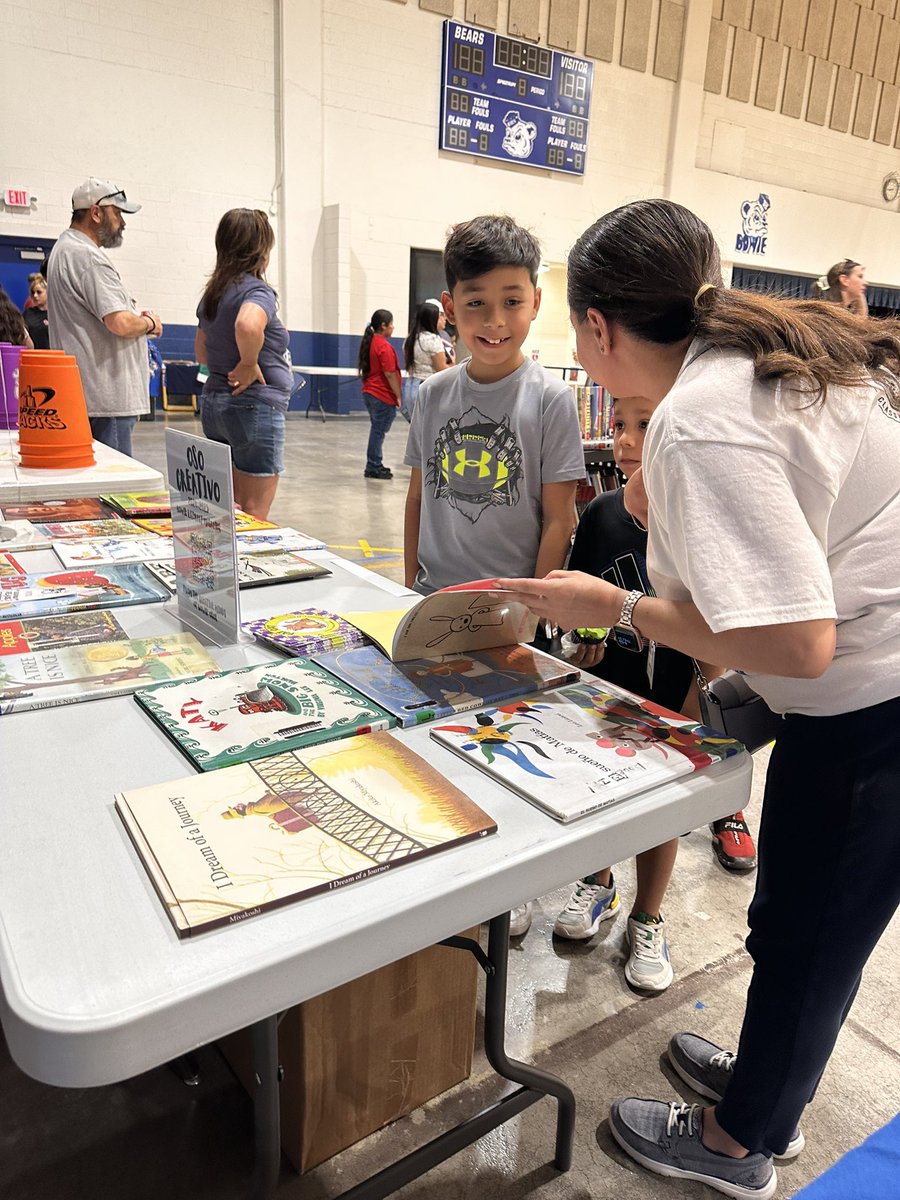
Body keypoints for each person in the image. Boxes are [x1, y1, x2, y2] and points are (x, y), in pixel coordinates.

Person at [497, 198, 900, 1199]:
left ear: (596, 328)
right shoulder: (750, 365)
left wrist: (619, 604)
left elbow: (795, 642)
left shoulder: (702, 417)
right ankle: (767, 1089)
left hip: (874, 706)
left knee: (811, 933)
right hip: (863, 688)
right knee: (794, 917)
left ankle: (740, 1144)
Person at [542, 393, 755, 995]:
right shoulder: (604, 514)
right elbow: (581, 600)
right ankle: (600, 882)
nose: (630, 439)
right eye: (620, 424)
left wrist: (698, 704)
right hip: (607, 693)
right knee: (597, 796)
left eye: (647, 426)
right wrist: (581, 645)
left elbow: (716, 627)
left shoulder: (701, 525)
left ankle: (648, 916)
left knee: (660, 813)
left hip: (673, 703)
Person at [403, 214, 584, 602]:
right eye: (476, 302)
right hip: (430, 595)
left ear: (535, 302)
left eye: (512, 301)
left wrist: (533, 610)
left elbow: (559, 519)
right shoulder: (433, 394)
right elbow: (418, 498)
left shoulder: (552, 400)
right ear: (450, 308)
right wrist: (406, 586)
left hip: (508, 604)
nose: (494, 320)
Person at [46, 178, 161, 457]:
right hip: (107, 399)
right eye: (117, 213)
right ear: (96, 213)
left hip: (89, 395)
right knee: (112, 493)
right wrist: (150, 323)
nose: (122, 222)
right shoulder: (88, 258)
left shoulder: (64, 250)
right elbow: (120, 322)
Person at [196, 208, 290, 520]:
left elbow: (203, 355)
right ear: (260, 250)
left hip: (215, 404)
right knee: (253, 511)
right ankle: (247, 568)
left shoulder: (213, 294)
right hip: (252, 408)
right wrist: (249, 363)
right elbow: (248, 326)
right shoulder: (256, 290)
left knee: (230, 505)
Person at [358, 309, 401, 479]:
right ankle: (373, 465)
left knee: (377, 429)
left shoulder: (372, 342)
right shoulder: (383, 346)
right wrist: (397, 395)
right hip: (381, 394)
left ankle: (375, 462)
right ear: (383, 326)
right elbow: (389, 373)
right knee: (378, 431)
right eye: (391, 324)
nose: (393, 328)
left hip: (370, 392)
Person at [401, 300, 452, 420]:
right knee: (430, 429)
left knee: (417, 428)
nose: (444, 319)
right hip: (426, 385)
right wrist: (457, 367)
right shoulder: (432, 339)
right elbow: (441, 368)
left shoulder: (410, 339)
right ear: (432, 319)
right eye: (440, 316)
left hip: (410, 386)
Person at [23, 275, 49, 349]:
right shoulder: (27, 314)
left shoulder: (55, 315)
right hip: (32, 355)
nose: (35, 295)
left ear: (47, 292)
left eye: (39, 292)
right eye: (33, 292)